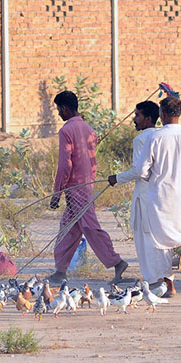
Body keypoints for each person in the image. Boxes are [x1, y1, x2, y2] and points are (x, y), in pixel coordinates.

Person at [109, 92, 181, 293]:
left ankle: (166, 283)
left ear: (161, 114)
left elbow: (142, 170)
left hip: (160, 197)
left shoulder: (155, 137)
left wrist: (122, 178)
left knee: (159, 241)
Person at [49, 90, 128, 284]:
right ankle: (60, 271)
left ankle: (117, 262)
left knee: (90, 228)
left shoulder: (66, 131)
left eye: (59, 110)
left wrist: (56, 193)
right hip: (86, 186)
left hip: (75, 189)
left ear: (65, 109)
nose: (59, 114)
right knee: (69, 229)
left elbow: (65, 165)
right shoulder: (89, 130)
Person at [107, 101, 174, 296]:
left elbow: (139, 171)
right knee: (164, 238)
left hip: (146, 195)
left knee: (146, 239)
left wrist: (116, 178)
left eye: (137, 115)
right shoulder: (165, 136)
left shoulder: (142, 139)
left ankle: (155, 282)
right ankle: (169, 283)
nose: (134, 119)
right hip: (165, 195)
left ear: (148, 119)